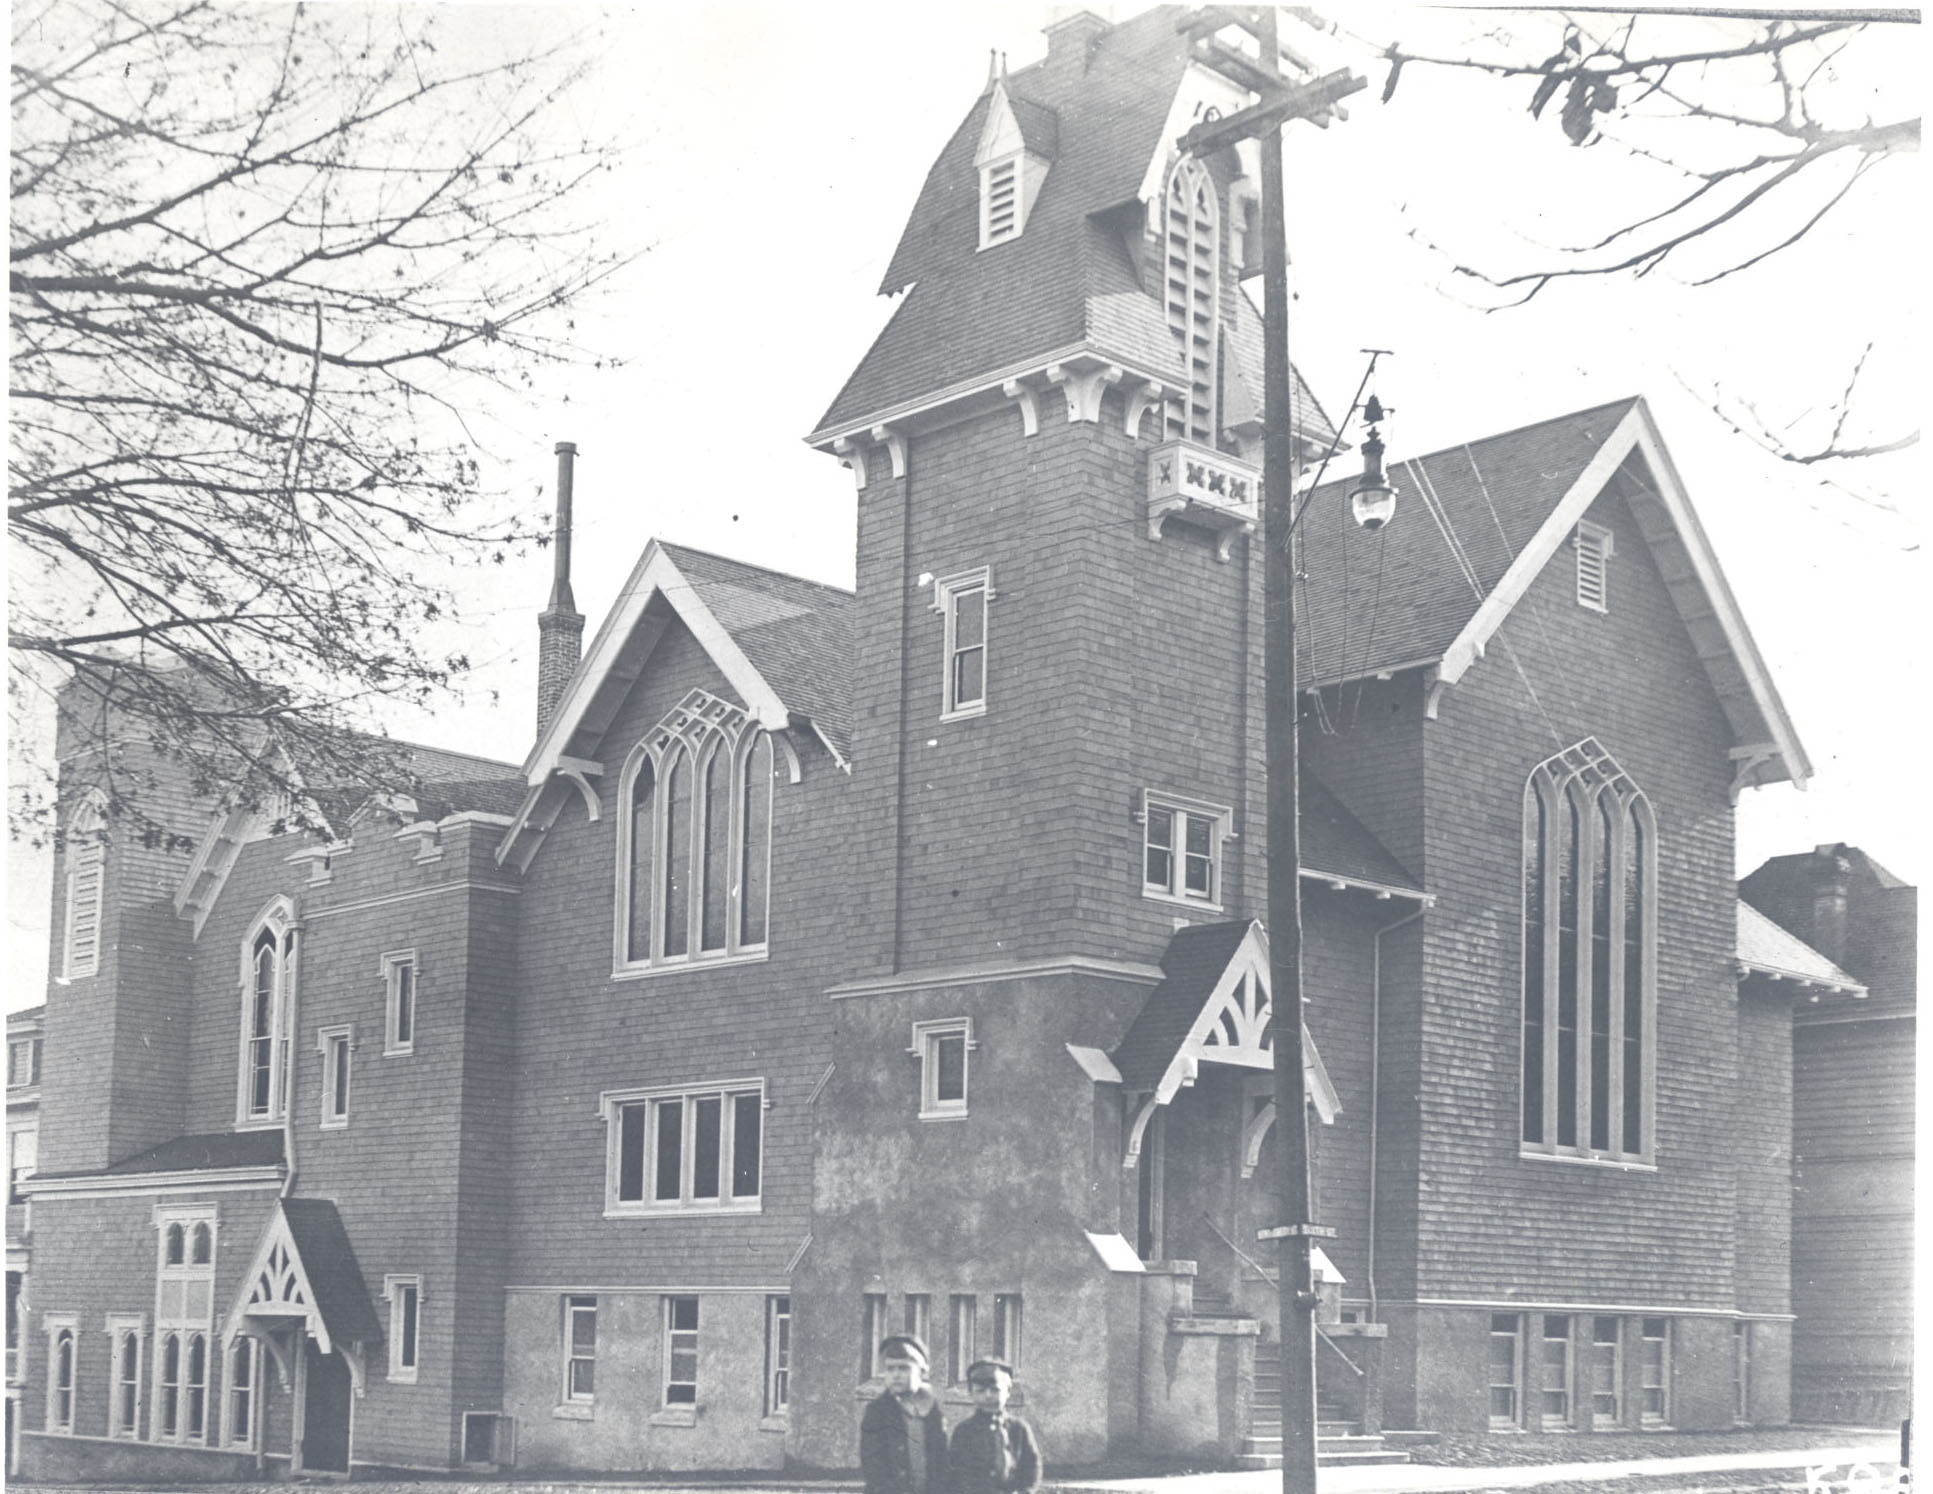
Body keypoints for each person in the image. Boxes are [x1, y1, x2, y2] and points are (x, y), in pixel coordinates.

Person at [859, 1333, 947, 1494]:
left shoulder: (932, 1409)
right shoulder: (877, 1411)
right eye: (890, 1369)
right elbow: (873, 1466)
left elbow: (940, 1461)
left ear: (922, 1372)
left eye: (904, 1368)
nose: (896, 1375)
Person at [947, 1357, 1041, 1494]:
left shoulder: (1019, 1428)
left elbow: (1032, 1466)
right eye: (980, 1391)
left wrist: (1026, 1491)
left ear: (1008, 1391)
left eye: (995, 1390)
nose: (988, 1396)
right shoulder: (964, 1431)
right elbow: (957, 1473)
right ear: (971, 1393)